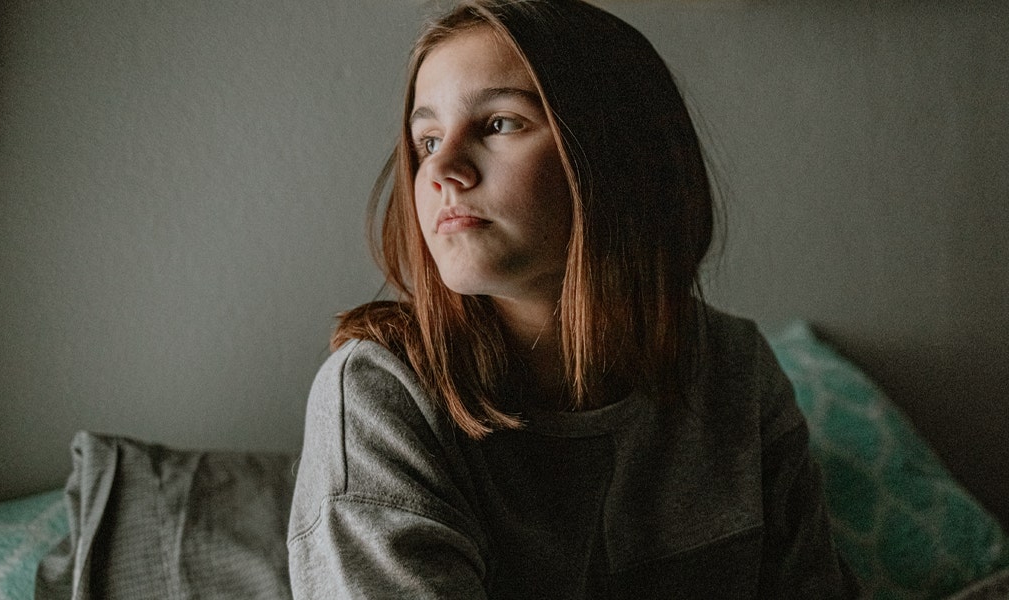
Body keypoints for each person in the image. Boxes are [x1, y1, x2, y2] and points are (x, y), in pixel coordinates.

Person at [286, 0, 855, 597]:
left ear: (617, 154)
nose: (442, 168)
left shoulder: (735, 370)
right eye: (426, 140)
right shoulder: (380, 398)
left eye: (499, 123)